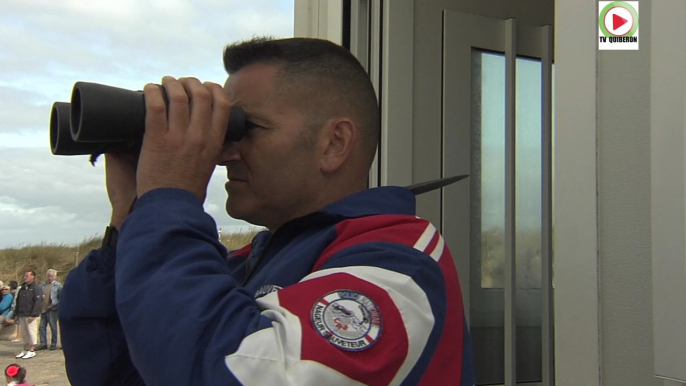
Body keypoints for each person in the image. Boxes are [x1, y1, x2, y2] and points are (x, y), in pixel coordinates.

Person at [59, 37, 475, 385]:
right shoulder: (242, 266)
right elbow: (112, 373)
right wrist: (131, 218)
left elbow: (237, 372)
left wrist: (168, 196)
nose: (222, 152)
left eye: (244, 128)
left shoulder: (402, 264)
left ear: (334, 143)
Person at [14, 271, 42, 360]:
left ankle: (32, 350)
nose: (25, 277)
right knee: (24, 333)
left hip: (31, 315)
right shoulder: (22, 288)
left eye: (27, 276)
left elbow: (38, 302)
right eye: (24, 275)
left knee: (31, 332)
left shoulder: (36, 288)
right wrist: (17, 313)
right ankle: (25, 349)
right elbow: (18, 301)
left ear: (33, 277)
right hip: (22, 314)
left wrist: (33, 315)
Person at [37, 269, 62, 350]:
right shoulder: (42, 286)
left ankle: (53, 343)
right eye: (48, 276)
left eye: (51, 276)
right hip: (43, 309)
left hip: (52, 309)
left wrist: (55, 306)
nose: (50, 278)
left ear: (55, 277)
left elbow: (61, 298)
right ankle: (43, 343)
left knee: (53, 327)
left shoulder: (58, 286)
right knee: (42, 327)